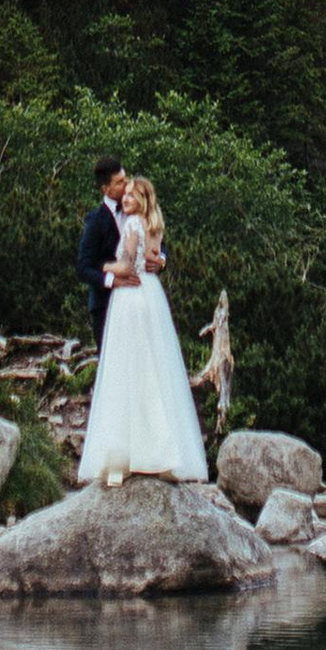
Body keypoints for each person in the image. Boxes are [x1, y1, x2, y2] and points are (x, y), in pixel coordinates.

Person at [78, 176, 208, 486]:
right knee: (150, 368)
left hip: (131, 297)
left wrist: (107, 267)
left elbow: (129, 264)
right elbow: (149, 255)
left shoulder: (134, 224)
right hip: (148, 295)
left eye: (131, 193)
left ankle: (124, 457)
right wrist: (153, 260)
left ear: (142, 199)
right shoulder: (149, 223)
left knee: (130, 370)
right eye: (123, 191)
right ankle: (158, 452)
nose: (125, 196)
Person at [76, 156, 127, 356]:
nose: (126, 184)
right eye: (120, 182)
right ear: (106, 189)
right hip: (105, 305)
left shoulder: (136, 210)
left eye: (126, 178)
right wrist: (112, 280)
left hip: (136, 301)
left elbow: (159, 242)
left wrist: (161, 260)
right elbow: (83, 267)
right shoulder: (96, 221)